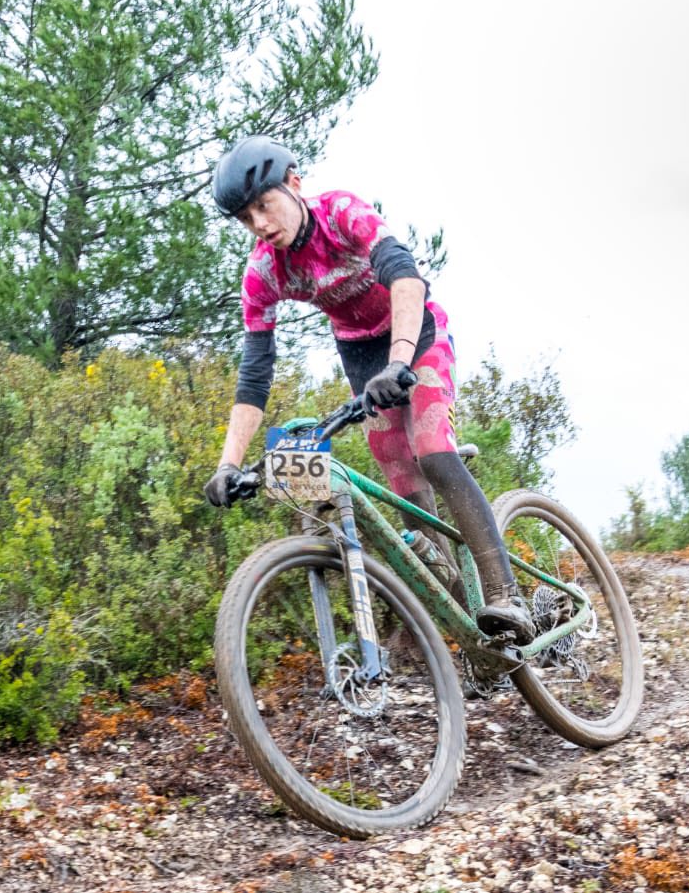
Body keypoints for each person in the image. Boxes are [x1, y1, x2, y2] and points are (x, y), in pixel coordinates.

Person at [201, 135, 536, 645]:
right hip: (361, 356)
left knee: (432, 453)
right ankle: (454, 610)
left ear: (294, 183)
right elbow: (255, 372)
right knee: (398, 476)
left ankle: (506, 596)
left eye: (265, 206)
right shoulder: (263, 271)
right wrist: (228, 464)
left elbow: (405, 276)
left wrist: (400, 361)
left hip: (415, 333)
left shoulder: (340, 212)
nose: (261, 224)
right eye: (247, 219)